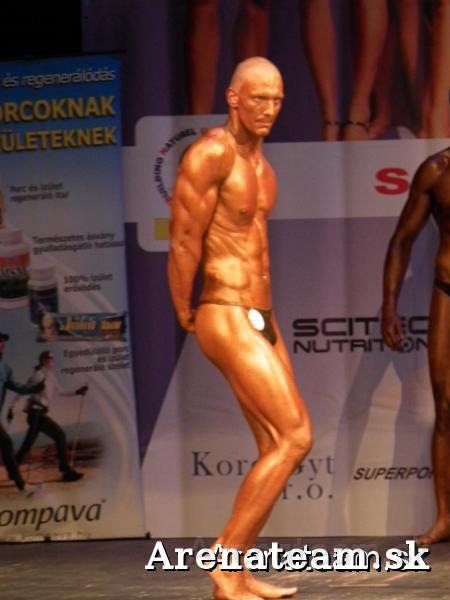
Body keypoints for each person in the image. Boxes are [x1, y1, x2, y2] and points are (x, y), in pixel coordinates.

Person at [168, 57, 312, 599]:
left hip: (261, 315)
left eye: (276, 100)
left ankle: (239, 572)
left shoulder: (263, 167)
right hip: (224, 309)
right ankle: (224, 562)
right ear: (233, 98)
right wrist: (183, 308)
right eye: (258, 99)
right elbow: (184, 238)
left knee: (275, 443)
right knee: (296, 435)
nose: (269, 109)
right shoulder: (211, 154)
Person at [381, 147, 450, 545]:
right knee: (445, 406)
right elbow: (401, 241)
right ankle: (445, 517)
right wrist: (389, 306)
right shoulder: (437, 171)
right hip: (447, 292)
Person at [11, 350, 88, 483]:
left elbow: (61, 392)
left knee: (29, 443)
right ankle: (65, 472)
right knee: (58, 435)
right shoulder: (37, 375)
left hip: (40, 413)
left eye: (52, 358)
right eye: (49, 358)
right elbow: (23, 390)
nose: (52, 361)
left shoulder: (50, 376)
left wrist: (77, 392)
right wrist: (11, 407)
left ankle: (12, 469)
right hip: (35, 413)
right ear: (43, 360)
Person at [0, 331, 43, 496]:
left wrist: (34, 388)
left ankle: (21, 486)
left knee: (5, 443)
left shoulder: (5, 368)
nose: (2, 344)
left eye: (3, 341)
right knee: (6, 443)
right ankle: (21, 486)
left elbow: (17, 387)